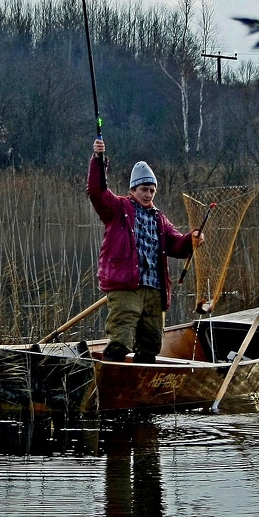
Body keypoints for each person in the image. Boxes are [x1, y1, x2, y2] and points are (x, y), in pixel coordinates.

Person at [87, 138, 204, 363]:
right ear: (132, 190)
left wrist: (192, 239)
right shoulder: (118, 208)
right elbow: (96, 191)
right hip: (126, 287)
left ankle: (141, 387)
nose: (148, 194)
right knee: (120, 341)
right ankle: (108, 381)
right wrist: (98, 161)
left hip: (155, 291)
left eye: (152, 190)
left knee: (151, 346)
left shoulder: (160, 219)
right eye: (143, 189)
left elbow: (177, 245)